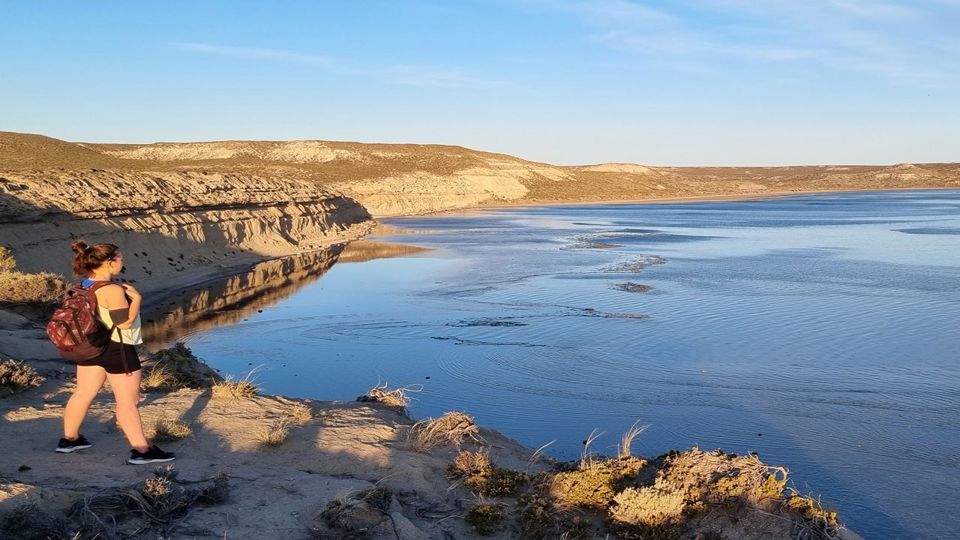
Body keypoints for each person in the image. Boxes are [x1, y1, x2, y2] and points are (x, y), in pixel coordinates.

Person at [57, 241, 175, 465]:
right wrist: (137, 300)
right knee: (127, 402)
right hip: (116, 348)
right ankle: (142, 451)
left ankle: (69, 440)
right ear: (109, 262)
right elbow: (124, 324)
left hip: (90, 346)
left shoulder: (83, 284)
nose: (123, 261)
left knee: (83, 393)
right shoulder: (111, 290)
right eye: (120, 258)